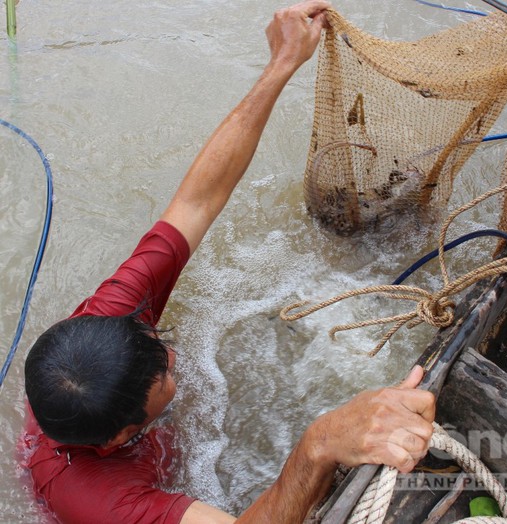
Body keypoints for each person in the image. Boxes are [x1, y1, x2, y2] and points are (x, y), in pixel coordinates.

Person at [21, 2, 436, 523]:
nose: (173, 360)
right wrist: (320, 441)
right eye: (165, 378)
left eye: (159, 347)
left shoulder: (105, 318)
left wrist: (282, 63)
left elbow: (196, 201)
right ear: (127, 437)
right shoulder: (99, 499)